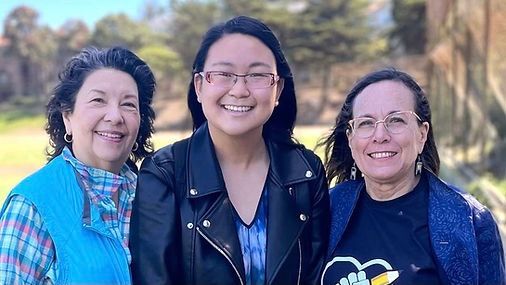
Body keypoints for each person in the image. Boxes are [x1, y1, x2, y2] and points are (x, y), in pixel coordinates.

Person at [130, 15, 330, 285]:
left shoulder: (305, 172)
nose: (239, 90)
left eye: (257, 75)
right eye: (224, 74)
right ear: (199, 86)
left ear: (278, 88)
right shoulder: (165, 174)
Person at [318, 68, 505, 285]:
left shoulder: (469, 220)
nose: (380, 136)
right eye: (366, 123)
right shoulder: (324, 210)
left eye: (396, 120)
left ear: (422, 133)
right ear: (350, 138)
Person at [0, 46, 156, 284]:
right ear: (67, 117)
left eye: (128, 104)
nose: (115, 116)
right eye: (98, 100)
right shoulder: (32, 205)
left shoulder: (154, 194)